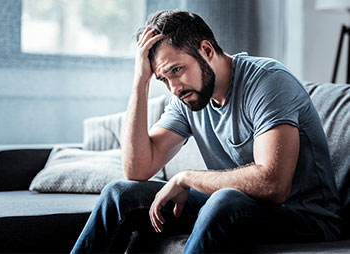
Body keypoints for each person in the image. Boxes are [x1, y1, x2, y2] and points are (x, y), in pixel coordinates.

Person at [72, 10, 341, 253]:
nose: (173, 87)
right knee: (119, 194)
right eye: (163, 79)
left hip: (306, 217)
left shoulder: (268, 82)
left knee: (224, 200)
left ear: (207, 50)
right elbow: (137, 169)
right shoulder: (186, 97)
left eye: (177, 70)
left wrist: (186, 178)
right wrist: (139, 82)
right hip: (233, 207)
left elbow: (273, 185)